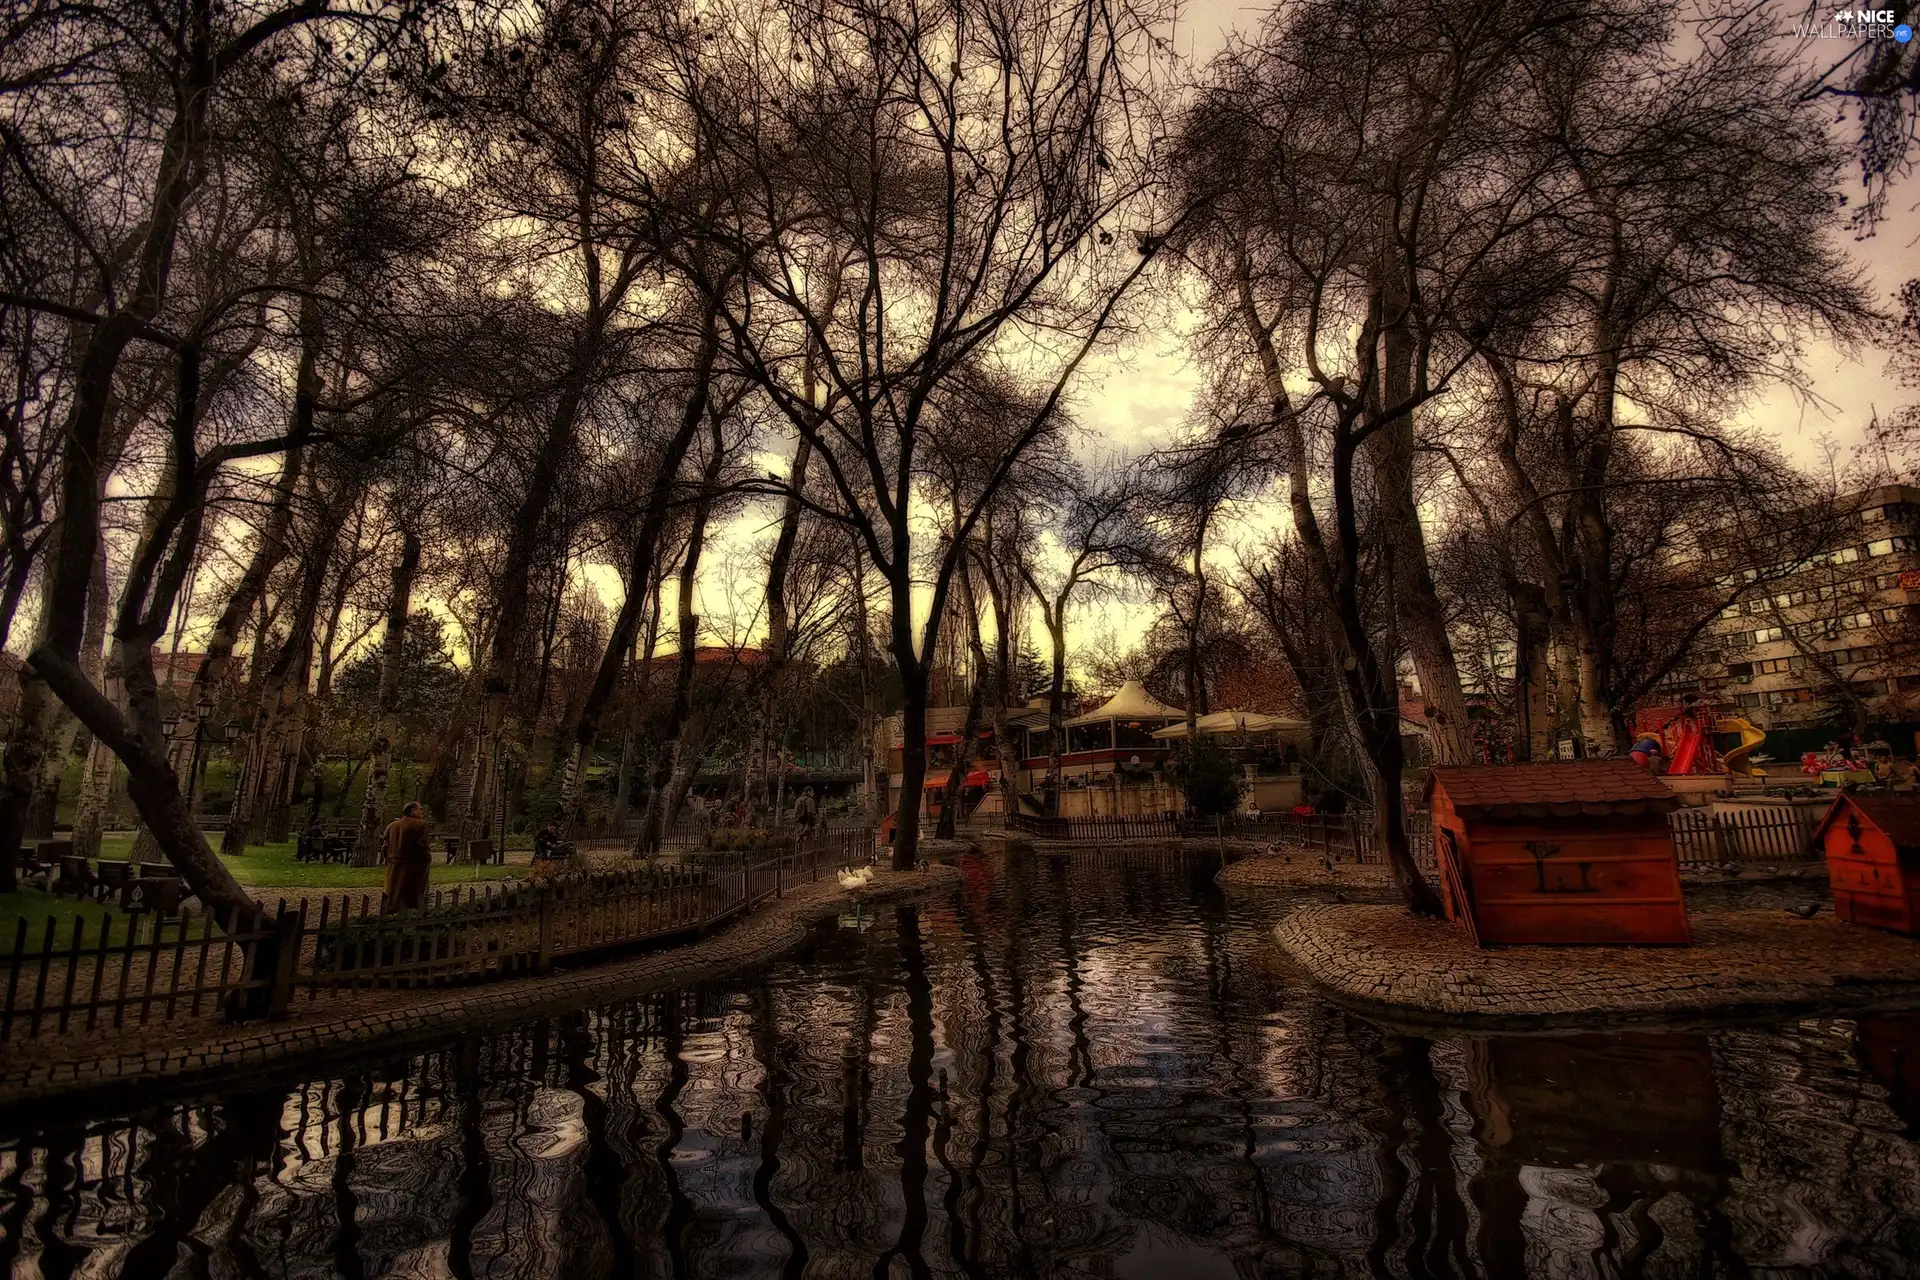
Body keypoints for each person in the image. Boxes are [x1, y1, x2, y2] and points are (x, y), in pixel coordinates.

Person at [381, 802, 432, 913]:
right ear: (413, 810)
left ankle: (391, 912)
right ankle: (412, 914)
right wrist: (427, 861)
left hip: (393, 866)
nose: (422, 811)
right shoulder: (421, 824)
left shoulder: (391, 825)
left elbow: (385, 846)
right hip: (413, 866)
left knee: (393, 891)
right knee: (412, 896)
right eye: (420, 809)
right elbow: (423, 846)